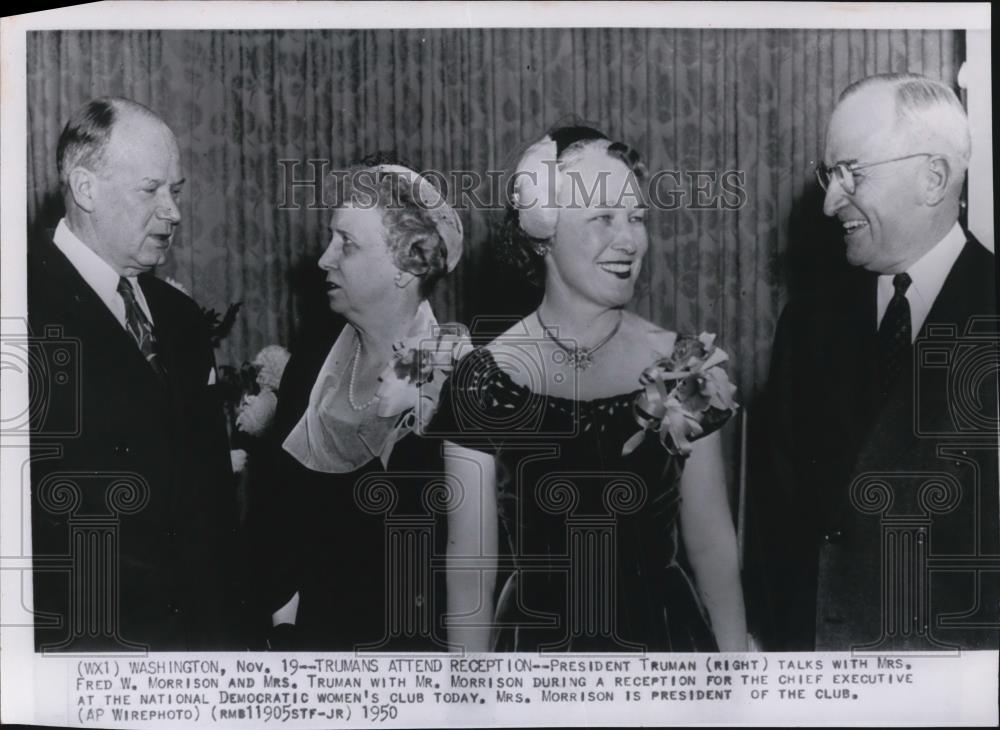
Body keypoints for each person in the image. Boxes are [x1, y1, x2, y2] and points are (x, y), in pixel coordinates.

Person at [428, 126, 747, 652]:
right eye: (603, 218)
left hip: (663, 642)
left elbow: (712, 549)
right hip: (536, 647)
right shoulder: (482, 378)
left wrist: (740, 687)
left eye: (636, 218)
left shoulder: (683, 365)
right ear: (543, 230)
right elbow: (469, 573)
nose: (629, 240)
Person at [748, 73, 999, 651]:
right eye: (828, 176)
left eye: (851, 174)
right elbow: (779, 527)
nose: (832, 201)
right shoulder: (806, 325)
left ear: (933, 177)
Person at [28, 97, 242, 651]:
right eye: (152, 190)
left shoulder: (181, 320)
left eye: (177, 190)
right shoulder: (20, 309)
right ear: (85, 188)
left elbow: (213, 503)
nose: (172, 212)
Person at [258, 160, 465, 650]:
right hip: (310, 642)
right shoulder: (312, 364)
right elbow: (276, 517)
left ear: (406, 266)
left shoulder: (451, 373)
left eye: (346, 244)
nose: (324, 260)